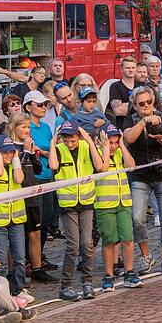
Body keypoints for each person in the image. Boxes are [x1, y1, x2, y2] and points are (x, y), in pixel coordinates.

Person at [122, 86, 162, 275]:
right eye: (141, 104)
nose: (146, 106)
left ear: (154, 101)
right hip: (141, 176)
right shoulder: (131, 120)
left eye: (149, 102)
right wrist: (144, 122)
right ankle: (146, 256)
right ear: (135, 106)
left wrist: (161, 138)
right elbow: (128, 138)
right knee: (137, 218)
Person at [48, 120, 105, 301]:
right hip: (68, 205)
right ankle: (65, 285)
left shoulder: (84, 146)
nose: (70, 144)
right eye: (66, 140)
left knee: (87, 244)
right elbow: (53, 166)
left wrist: (88, 140)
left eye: (72, 140)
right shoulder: (59, 149)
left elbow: (98, 165)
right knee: (73, 245)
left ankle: (87, 282)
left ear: (78, 137)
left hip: (87, 201)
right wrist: (53, 143)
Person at [6, 113, 57, 284]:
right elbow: (15, 170)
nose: (27, 131)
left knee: (35, 233)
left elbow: (36, 168)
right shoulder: (9, 146)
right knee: (16, 237)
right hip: (17, 197)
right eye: (23, 127)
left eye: (28, 127)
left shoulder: (30, 145)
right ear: (14, 127)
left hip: (32, 193)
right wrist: (26, 152)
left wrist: (33, 154)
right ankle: (13, 271)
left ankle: (37, 268)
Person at [0, 134, 32, 306]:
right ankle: (2, 292)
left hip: (16, 219)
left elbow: (19, 179)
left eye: (11, 152)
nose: (9, 155)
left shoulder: (14, 166)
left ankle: (18, 289)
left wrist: (16, 160)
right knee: (2, 261)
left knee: (19, 257)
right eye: (5, 153)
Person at [95, 125, 143, 292]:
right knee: (109, 241)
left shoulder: (120, 153)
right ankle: (108, 274)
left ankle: (129, 272)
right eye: (112, 142)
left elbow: (132, 166)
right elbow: (104, 168)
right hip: (105, 204)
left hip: (123, 201)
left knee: (128, 238)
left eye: (116, 142)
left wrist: (122, 145)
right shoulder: (99, 154)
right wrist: (106, 148)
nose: (114, 146)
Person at [23, 91, 60, 261]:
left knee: (46, 220)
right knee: (34, 223)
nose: (43, 107)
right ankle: (30, 260)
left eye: (45, 104)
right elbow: (33, 148)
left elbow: (51, 147)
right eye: (39, 105)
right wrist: (44, 151)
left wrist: (46, 151)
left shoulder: (45, 127)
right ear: (28, 107)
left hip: (48, 175)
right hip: (35, 177)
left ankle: (40, 257)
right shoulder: (26, 126)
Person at [105, 57, 138, 129]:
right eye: (127, 68)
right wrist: (140, 106)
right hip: (122, 126)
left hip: (139, 125)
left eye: (133, 67)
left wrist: (127, 105)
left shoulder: (142, 85)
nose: (130, 70)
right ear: (121, 70)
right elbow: (118, 110)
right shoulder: (115, 86)